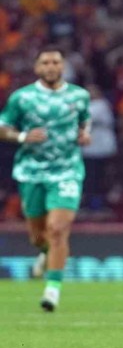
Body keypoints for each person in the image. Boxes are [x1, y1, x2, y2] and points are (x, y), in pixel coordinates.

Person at [0, 47, 91, 312]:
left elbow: (85, 121)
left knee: (58, 229)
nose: (51, 67)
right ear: (37, 68)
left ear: (62, 67)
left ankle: (52, 290)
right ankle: (43, 252)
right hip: (32, 171)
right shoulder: (22, 97)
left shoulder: (79, 96)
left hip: (67, 170)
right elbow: (2, 126)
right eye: (45, 62)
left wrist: (85, 134)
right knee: (37, 236)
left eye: (55, 62)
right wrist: (22, 136)